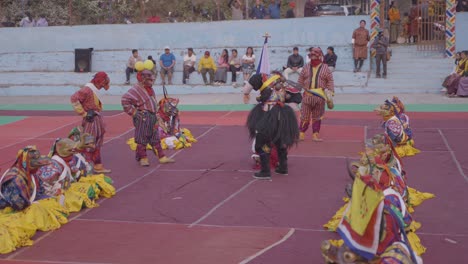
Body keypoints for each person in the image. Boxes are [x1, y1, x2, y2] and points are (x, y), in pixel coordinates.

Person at [243, 73, 300, 180]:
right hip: (283, 114)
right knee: (280, 141)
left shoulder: (259, 77)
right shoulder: (280, 79)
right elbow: (296, 99)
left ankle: (265, 171)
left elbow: (246, 90)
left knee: (262, 142)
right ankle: (283, 167)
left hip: (268, 112)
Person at [121, 63, 175, 167]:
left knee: (155, 137)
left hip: (152, 117)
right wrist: (135, 112)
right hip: (143, 118)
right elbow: (125, 100)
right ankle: (143, 158)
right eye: (149, 78)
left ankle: (162, 156)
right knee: (142, 139)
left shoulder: (150, 89)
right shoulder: (136, 89)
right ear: (143, 79)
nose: (152, 80)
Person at [70, 72, 112, 174]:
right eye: (103, 82)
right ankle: (86, 167)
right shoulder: (87, 89)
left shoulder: (94, 89)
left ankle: (98, 165)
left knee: (96, 143)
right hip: (90, 121)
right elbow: (74, 98)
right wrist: (83, 113)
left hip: (96, 120)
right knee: (89, 142)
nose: (103, 85)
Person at [298, 47, 335, 142]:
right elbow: (301, 79)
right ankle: (301, 134)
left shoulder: (325, 68)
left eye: (315, 55)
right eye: (312, 55)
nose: (313, 57)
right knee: (304, 116)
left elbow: (330, 80)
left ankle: (315, 135)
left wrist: (330, 92)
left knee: (317, 117)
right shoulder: (306, 66)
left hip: (319, 97)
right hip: (307, 96)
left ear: (319, 56)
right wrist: (297, 89)